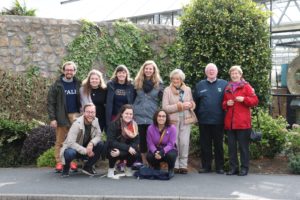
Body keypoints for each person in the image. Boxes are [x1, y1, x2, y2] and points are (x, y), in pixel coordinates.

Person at [222, 65, 258, 176]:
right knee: (232, 148)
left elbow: (255, 101)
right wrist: (226, 104)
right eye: (232, 73)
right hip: (230, 124)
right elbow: (223, 104)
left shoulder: (246, 87)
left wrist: (244, 99)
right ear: (230, 75)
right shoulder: (228, 87)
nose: (234, 75)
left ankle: (244, 168)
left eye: (236, 73)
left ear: (240, 74)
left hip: (243, 124)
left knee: (243, 148)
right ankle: (233, 168)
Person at [47, 61, 81, 172]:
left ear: (74, 71)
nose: (69, 72)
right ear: (63, 70)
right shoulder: (56, 85)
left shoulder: (78, 83)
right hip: (61, 115)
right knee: (60, 140)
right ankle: (59, 162)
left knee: (74, 140)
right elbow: (50, 102)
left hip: (75, 115)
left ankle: (72, 162)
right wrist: (52, 118)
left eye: (71, 70)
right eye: (67, 70)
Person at [194, 63, 227, 174]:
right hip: (204, 120)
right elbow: (195, 103)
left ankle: (219, 167)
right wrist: (197, 117)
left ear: (217, 72)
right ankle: (206, 166)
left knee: (218, 145)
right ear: (206, 72)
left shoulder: (224, 84)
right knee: (205, 145)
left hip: (219, 120)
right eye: (209, 70)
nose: (211, 71)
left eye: (213, 70)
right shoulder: (200, 85)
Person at [162, 69, 197, 174]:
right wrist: (179, 106)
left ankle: (183, 165)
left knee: (184, 142)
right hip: (173, 120)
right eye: (173, 78)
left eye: (177, 78)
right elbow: (165, 108)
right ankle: (175, 164)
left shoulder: (188, 89)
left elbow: (191, 102)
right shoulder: (167, 90)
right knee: (174, 142)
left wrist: (191, 105)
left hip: (186, 119)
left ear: (181, 79)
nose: (175, 80)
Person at [60, 103, 104, 177]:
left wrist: (91, 143)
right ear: (84, 113)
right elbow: (70, 143)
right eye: (88, 112)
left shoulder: (96, 120)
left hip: (87, 147)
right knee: (69, 153)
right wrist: (86, 151)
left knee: (100, 144)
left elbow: (98, 135)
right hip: (74, 149)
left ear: (95, 113)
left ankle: (87, 167)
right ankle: (66, 167)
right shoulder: (76, 124)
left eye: (92, 112)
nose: (90, 114)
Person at [133, 60, 164, 165]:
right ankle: (143, 161)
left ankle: (152, 161)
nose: (148, 70)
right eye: (146, 68)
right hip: (139, 115)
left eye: (150, 69)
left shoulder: (159, 84)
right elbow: (132, 97)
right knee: (141, 140)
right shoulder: (137, 82)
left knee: (151, 139)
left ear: (154, 70)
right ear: (143, 69)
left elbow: (164, 98)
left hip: (152, 115)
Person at [106, 104, 139, 179]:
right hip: (116, 147)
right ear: (122, 114)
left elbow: (136, 142)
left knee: (136, 150)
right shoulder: (114, 124)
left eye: (131, 114)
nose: (129, 116)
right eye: (126, 113)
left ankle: (128, 167)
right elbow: (111, 141)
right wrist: (127, 148)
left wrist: (123, 151)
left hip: (126, 150)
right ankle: (111, 168)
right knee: (113, 150)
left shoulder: (134, 126)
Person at [146, 109, 177, 178]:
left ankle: (171, 169)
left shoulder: (172, 128)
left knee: (171, 155)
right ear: (156, 117)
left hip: (168, 150)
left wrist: (162, 152)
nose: (161, 118)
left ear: (166, 118)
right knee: (149, 156)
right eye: (159, 116)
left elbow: (171, 144)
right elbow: (150, 143)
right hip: (156, 149)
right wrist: (155, 152)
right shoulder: (150, 128)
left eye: (163, 116)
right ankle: (156, 167)